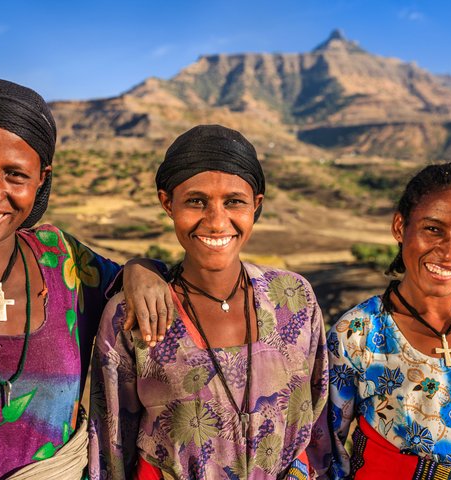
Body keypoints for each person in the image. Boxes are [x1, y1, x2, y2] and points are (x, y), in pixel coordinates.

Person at [0, 78, 172, 480]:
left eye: (15, 175)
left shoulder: (62, 260)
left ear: (42, 179)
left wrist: (142, 267)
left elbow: (138, 282)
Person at [89, 124, 330, 479]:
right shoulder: (132, 315)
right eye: (196, 201)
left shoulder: (293, 300)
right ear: (167, 203)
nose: (217, 222)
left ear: (255, 206)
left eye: (234, 201)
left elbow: (317, 421)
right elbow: (111, 445)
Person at [325, 162, 451, 479]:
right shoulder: (357, 334)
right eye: (433, 229)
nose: (450, 253)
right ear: (399, 227)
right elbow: (327, 451)